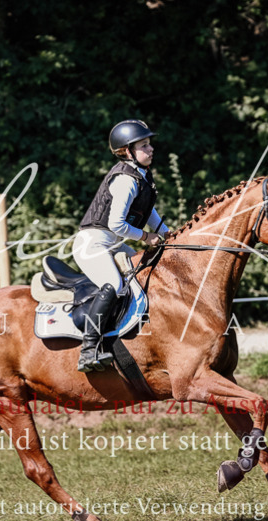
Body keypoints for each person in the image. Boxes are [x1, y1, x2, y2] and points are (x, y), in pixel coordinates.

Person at [72, 119, 170, 372]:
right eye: (143, 145)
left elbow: (150, 214)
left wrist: (172, 237)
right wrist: (146, 238)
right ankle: (89, 349)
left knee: (141, 274)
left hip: (113, 244)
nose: (151, 149)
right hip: (93, 244)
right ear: (127, 151)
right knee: (114, 285)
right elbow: (116, 224)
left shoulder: (142, 176)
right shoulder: (125, 179)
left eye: (149, 144)